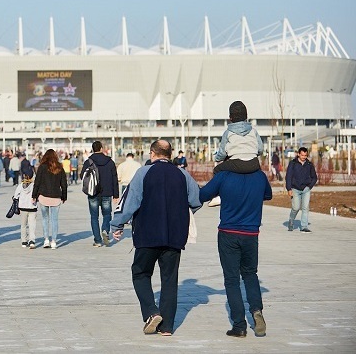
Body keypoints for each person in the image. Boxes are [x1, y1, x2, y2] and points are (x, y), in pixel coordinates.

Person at [111, 140, 201, 336]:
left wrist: (117, 224)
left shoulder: (144, 173)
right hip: (174, 235)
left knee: (140, 273)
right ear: (169, 154)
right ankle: (167, 326)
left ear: (152, 154)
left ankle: (151, 312)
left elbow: (129, 202)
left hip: (147, 234)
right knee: (169, 279)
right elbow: (196, 199)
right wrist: (180, 213)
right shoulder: (182, 174)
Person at [199, 159, 272, 338]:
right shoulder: (260, 176)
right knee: (250, 274)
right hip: (251, 234)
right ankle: (256, 310)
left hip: (228, 232)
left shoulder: (224, 175)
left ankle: (239, 326)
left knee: (231, 280)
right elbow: (268, 195)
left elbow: (203, 195)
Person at [80, 141, 119, 247]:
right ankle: (105, 230)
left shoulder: (89, 162)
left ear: (93, 149)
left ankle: (97, 240)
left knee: (94, 216)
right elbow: (114, 178)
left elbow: (82, 176)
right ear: (101, 148)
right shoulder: (110, 161)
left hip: (93, 193)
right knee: (107, 214)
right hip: (107, 192)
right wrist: (116, 195)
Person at [213, 101, 263, 174]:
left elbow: (222, 153)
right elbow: (260, 149)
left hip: (236, 164)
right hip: (254, 163)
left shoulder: (228, 133)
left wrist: (216, 158)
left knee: (217, 169)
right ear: (246, 116)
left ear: (230, 118)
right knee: (261, 175)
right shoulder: (253, 131)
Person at [32, 149, 67, 249]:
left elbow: (37, 182)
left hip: (43, 196)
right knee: (54, 220)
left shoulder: (42, 167)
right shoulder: (60, 167)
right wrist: (64, 196)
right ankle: (54, 241)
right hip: (56, 197)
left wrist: (34, 196)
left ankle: (46, 239)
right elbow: (64, 184)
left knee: (45, 219)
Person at [286, 147, 317, 233]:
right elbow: (288, 176)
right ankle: (291, 221)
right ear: (298, 154)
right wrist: (289, 189)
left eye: (305, 155)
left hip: (306, 189)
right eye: (302, 155)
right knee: (295, 207)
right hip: (295, 189)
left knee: (305, 208)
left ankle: (304, 226)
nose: (304, 157)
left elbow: (314, 177)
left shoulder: (309, 165)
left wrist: (309, 186)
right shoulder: (293, 163)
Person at [13, 166, 37, 249]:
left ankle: (24, 241)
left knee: (23, 225)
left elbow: (16, 196)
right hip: (32, 207)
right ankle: (32, 241)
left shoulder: (21, 185)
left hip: (23, 208)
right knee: (32, 224)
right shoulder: (34, 185)